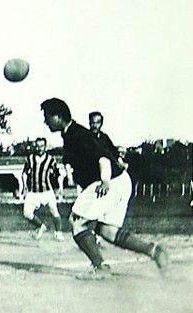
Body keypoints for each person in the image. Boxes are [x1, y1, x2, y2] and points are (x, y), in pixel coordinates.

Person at [40, 98, 168, 278]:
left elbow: (103, 158)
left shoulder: (78, 135)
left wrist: (105, 181)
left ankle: (100, 267)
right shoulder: (70, 135)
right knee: (107, 231)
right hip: (122, 181)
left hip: (110, 181)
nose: (45, 121)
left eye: (47, 117)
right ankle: (153, 251)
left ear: (58, 117)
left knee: (77, 223)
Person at [21, 138, 64, 241]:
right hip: (33, 191)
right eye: (37, 146)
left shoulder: (50, 160)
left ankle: (58, 232)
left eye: (42, 146)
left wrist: (60, 188)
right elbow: (24, 173)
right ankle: (41, 226)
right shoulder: (30, 158)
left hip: (47, 191)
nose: (39, 148)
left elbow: (58, 175)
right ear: (35, 147)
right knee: (26, 213)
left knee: (54, 211)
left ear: (45, 147)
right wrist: (24, 187)